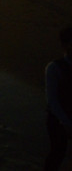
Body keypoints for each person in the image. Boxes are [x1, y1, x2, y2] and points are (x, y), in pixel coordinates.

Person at [45, 26, 72, 171]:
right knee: (58, 153)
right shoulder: (54, 67)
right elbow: (52, 100)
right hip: (58, 118)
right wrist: (66, 123)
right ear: (65, 45)